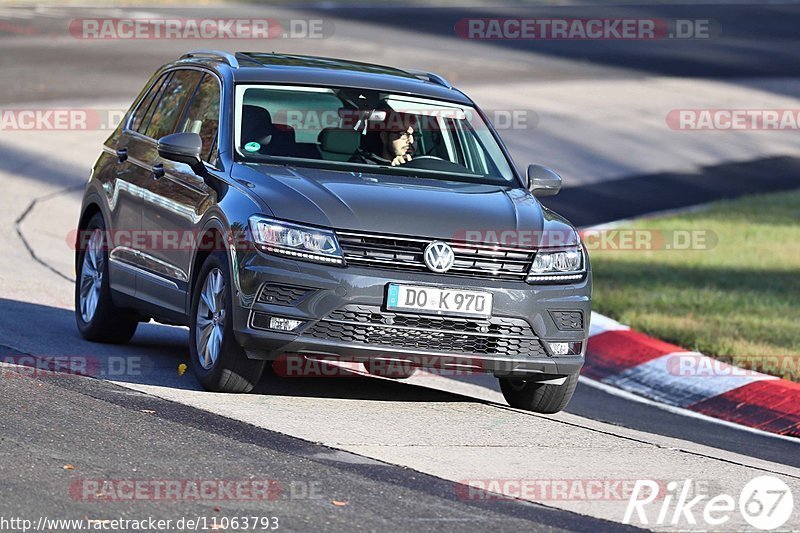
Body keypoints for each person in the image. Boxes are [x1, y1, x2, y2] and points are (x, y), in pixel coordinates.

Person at [351, 110, 416, 166]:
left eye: (414, 135)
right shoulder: (362, 167)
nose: (411, 141)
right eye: (403, 134)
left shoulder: (419, 164)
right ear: (384, 136)